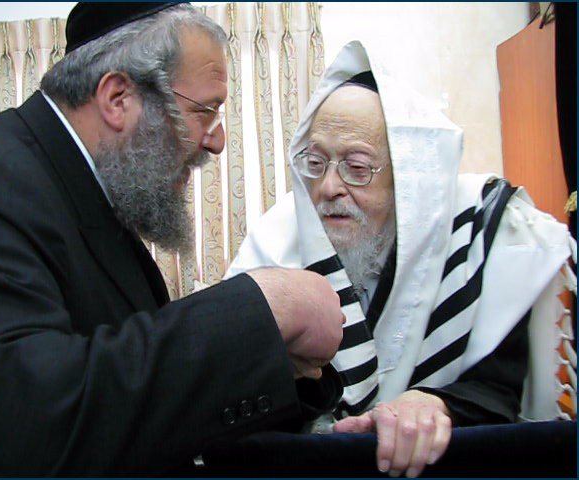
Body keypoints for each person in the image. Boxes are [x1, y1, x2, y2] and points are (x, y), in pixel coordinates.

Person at [0, 3, 346, 476]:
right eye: (205, 110)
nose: (217, 141)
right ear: (117, 98)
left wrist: (280, 362)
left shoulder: (86, 193)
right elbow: (10, 426)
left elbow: (140, 412)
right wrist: (263, 310)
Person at [225, 40, 577, 478]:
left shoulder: (481, 234)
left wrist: (436, 403)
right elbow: (237, 398)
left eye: (356, 168)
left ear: (409, 180)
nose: (328, 187)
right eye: (315, 163)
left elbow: (499, 386)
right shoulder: (275, 243)